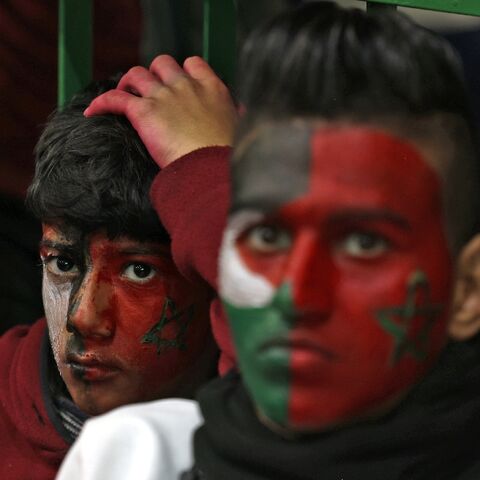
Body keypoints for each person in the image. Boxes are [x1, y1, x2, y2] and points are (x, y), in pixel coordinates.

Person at [58, 3, 480, 480]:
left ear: (468, 290)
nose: (294, 295)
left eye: (364, 244)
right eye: (266, 236)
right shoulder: (137, 457)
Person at [0, 76, 224, 480]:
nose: (83, 318)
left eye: (139, 270)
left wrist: (209, 179)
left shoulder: (261, 425)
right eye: (63, 263)